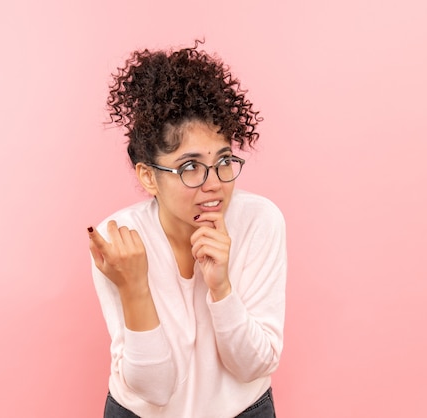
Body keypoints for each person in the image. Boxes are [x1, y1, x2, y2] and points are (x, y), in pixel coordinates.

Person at [88, 40, 287, 418]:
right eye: (189, 167)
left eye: (224, 160)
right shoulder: (120, 241)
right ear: (148, 177)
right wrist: (133, 288)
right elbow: (155, 390)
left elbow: (255, 366)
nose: (214, 183)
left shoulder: (260, 222)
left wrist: (221, 289)